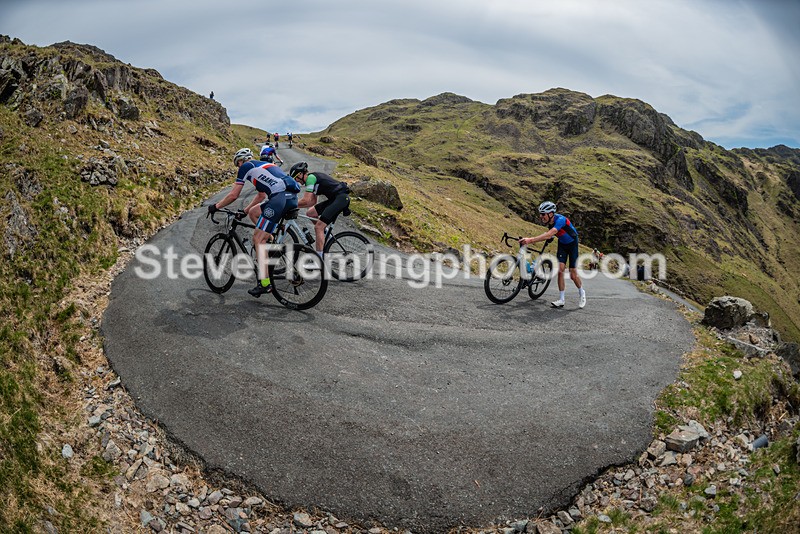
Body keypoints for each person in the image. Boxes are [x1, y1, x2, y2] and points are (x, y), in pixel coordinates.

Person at [207, 148, 301, 297]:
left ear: (240, 161)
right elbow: (260, 196)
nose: (238, 167)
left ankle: (264, 283)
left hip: (279, 199)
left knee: (257, 238)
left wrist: (215, 206)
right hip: (290, 197)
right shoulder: (261, 168)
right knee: (253, 213)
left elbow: (233, 195)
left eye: (237, 164)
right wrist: (244, 211)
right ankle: (269, 242)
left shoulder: (246, 166)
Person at [519, 201, 586, 309]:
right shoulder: (550, 222)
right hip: (562, 244)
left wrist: (530, 240)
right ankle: (561, 299)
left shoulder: (560, 220)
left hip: (572, 244)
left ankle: (582, 293)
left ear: (550, 214)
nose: (541, 217)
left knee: (573, 275)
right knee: (560, 269)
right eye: (540, 214)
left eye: (543, 214)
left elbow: (550, 233)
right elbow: (551, 234)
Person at [289, 162, 351, 256]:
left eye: (296, 178)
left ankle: (319, 258)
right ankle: (324, 233)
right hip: (335, 199)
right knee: (310, 213)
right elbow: (312, 202)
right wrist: (295, 205)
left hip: (341, 198)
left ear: (301, 174)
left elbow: (306, 200)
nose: (297, 181)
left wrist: (289, 204)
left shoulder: (310, 178)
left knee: (318, 227)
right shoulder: (312, 180)